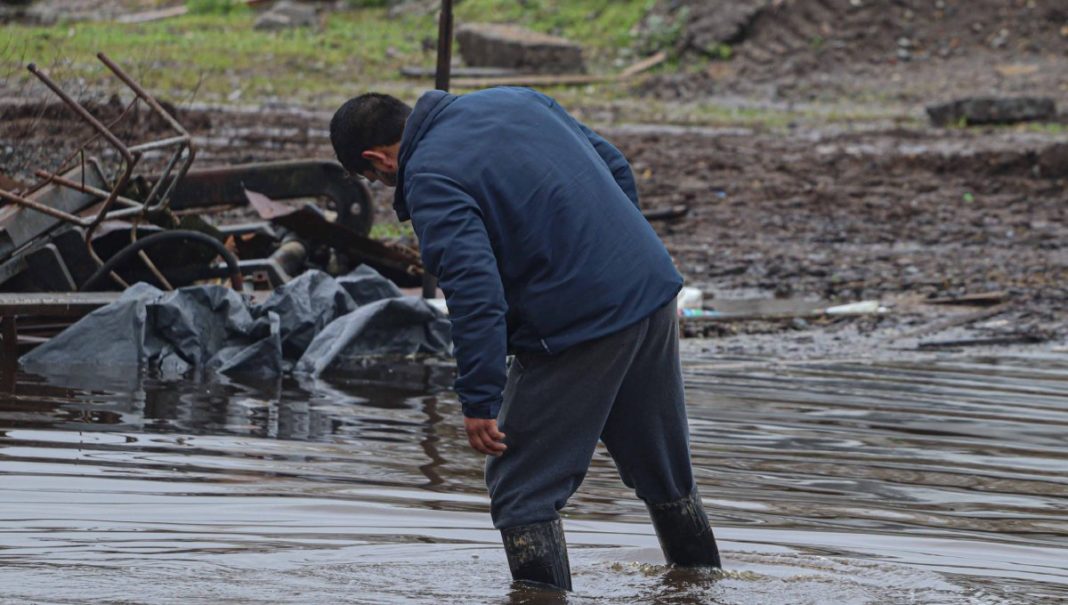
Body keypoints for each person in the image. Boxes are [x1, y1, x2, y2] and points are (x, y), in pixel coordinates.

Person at [330, 87, 721, 591]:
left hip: (581, 325)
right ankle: (703, 590)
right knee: (664, 469)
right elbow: (614, 165)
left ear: (377, 158)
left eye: (375, 178)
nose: (386, 185)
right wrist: (617, 257)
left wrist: (478, 398)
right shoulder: (514, 100)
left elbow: (474, 292)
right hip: (651, 291)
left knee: (521, 489)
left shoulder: (428, 175)